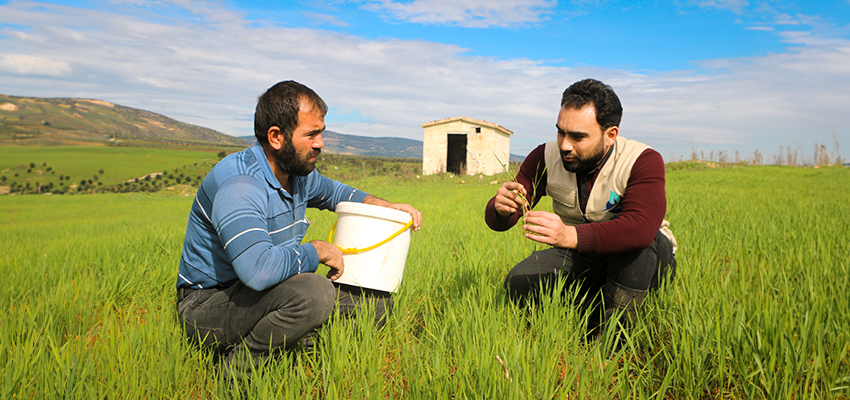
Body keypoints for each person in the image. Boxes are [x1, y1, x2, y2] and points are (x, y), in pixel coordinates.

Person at [176, 80, 423, 375]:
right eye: (311, 134)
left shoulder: (297, 173)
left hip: (265, 293)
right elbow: (258, 271)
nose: (320, 143)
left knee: (374, 303)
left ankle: (298, 357)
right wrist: (317, 251)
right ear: (276, 137)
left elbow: (336, 194)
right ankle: (236, 374)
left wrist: (384, 205)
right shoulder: (240, 185)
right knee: (313, 291)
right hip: (210, 304)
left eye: (321, 133)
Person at [485, 78, 676, 339]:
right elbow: (504, 216)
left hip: (645, 260)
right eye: (561, 131)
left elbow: (641, 229)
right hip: (583, 255)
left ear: (611, 135)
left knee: (642, 243)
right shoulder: (545, 156)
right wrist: (501, 209)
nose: (565, 144)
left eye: (578, 137)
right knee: (519, 282)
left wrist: (568, 236)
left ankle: (613, 343)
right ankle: (580, 314)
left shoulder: (642, 160)